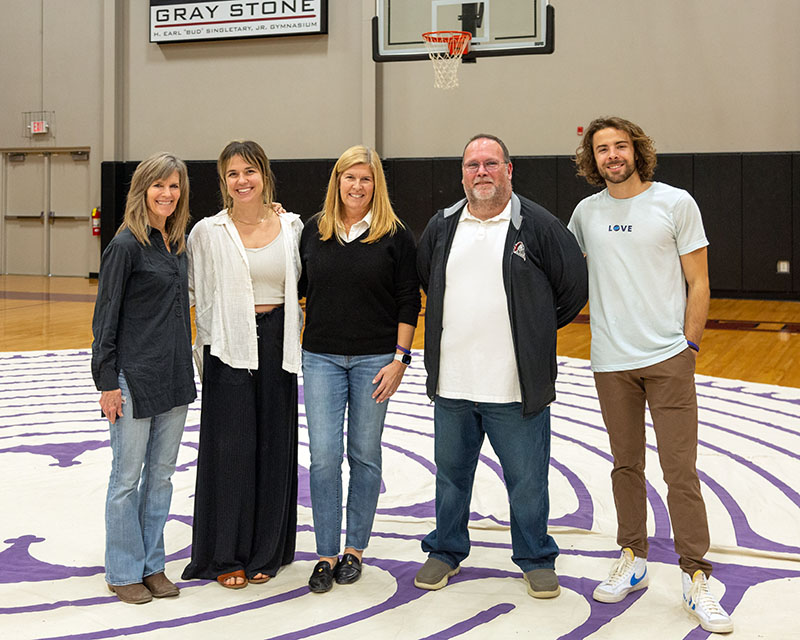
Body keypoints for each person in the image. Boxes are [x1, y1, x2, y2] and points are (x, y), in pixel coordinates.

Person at [569, 116, 733, 634]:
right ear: (591, 159)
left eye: (620, 146)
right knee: (625, 465)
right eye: (602, 149)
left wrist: (689, 345)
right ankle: (632, 556)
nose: (612, 156)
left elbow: (699, 281)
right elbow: (565, 275)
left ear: (637, 151)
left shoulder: (675, 203)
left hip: (667, 359)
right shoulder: (585, 214)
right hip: (611, 362)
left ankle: (696, 573)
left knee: (680, 470)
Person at [414, 134, 588, 599]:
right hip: (453, 384)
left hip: (515, 387)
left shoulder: (540, 226)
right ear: (463, 174)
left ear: (509, 170)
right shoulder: (443, 224)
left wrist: (533, 330)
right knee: (451, 476)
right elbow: (423, 276)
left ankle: (534, 557)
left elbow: (572, 287)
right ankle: (445, 550)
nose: (482, 172)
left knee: (527, 481)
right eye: (473, 165)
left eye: (492, 163)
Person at [181, 140, 303, 589]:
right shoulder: (206, 233)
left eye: (249, 171)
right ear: (223, 181)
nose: (242, 180)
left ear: (264, 174)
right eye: (233, 174)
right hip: (228, 348)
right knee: (231, 452)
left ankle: (266, 550)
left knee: (274, 447)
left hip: (278, 346)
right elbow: (191, 294)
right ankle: (226, 554)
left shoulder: (292, 226)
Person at [299, 144, 420, 593]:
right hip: (321, 359)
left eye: (365, 178)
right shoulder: (312, 231)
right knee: (324, 457)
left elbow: (410, 299)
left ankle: (355, 550)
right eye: (349, 177)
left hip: (375, 361)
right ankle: (326, 553)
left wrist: (400, 360)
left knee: (364, 456)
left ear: (376, 185)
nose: (357, 185)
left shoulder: (396, 236)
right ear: (337, 182)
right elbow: (296, 286)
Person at [92, 153, 196, 604]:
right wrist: (107, 382)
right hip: (134, 377)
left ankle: (153, 565)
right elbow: (105, 318)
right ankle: (122, 569)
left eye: (174, 186)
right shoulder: (124, 246)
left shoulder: (177, 243)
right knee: (126, 479)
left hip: (174, 376)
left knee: (162, 477)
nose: (167, 194)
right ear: (142, 189)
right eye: (159, 185)